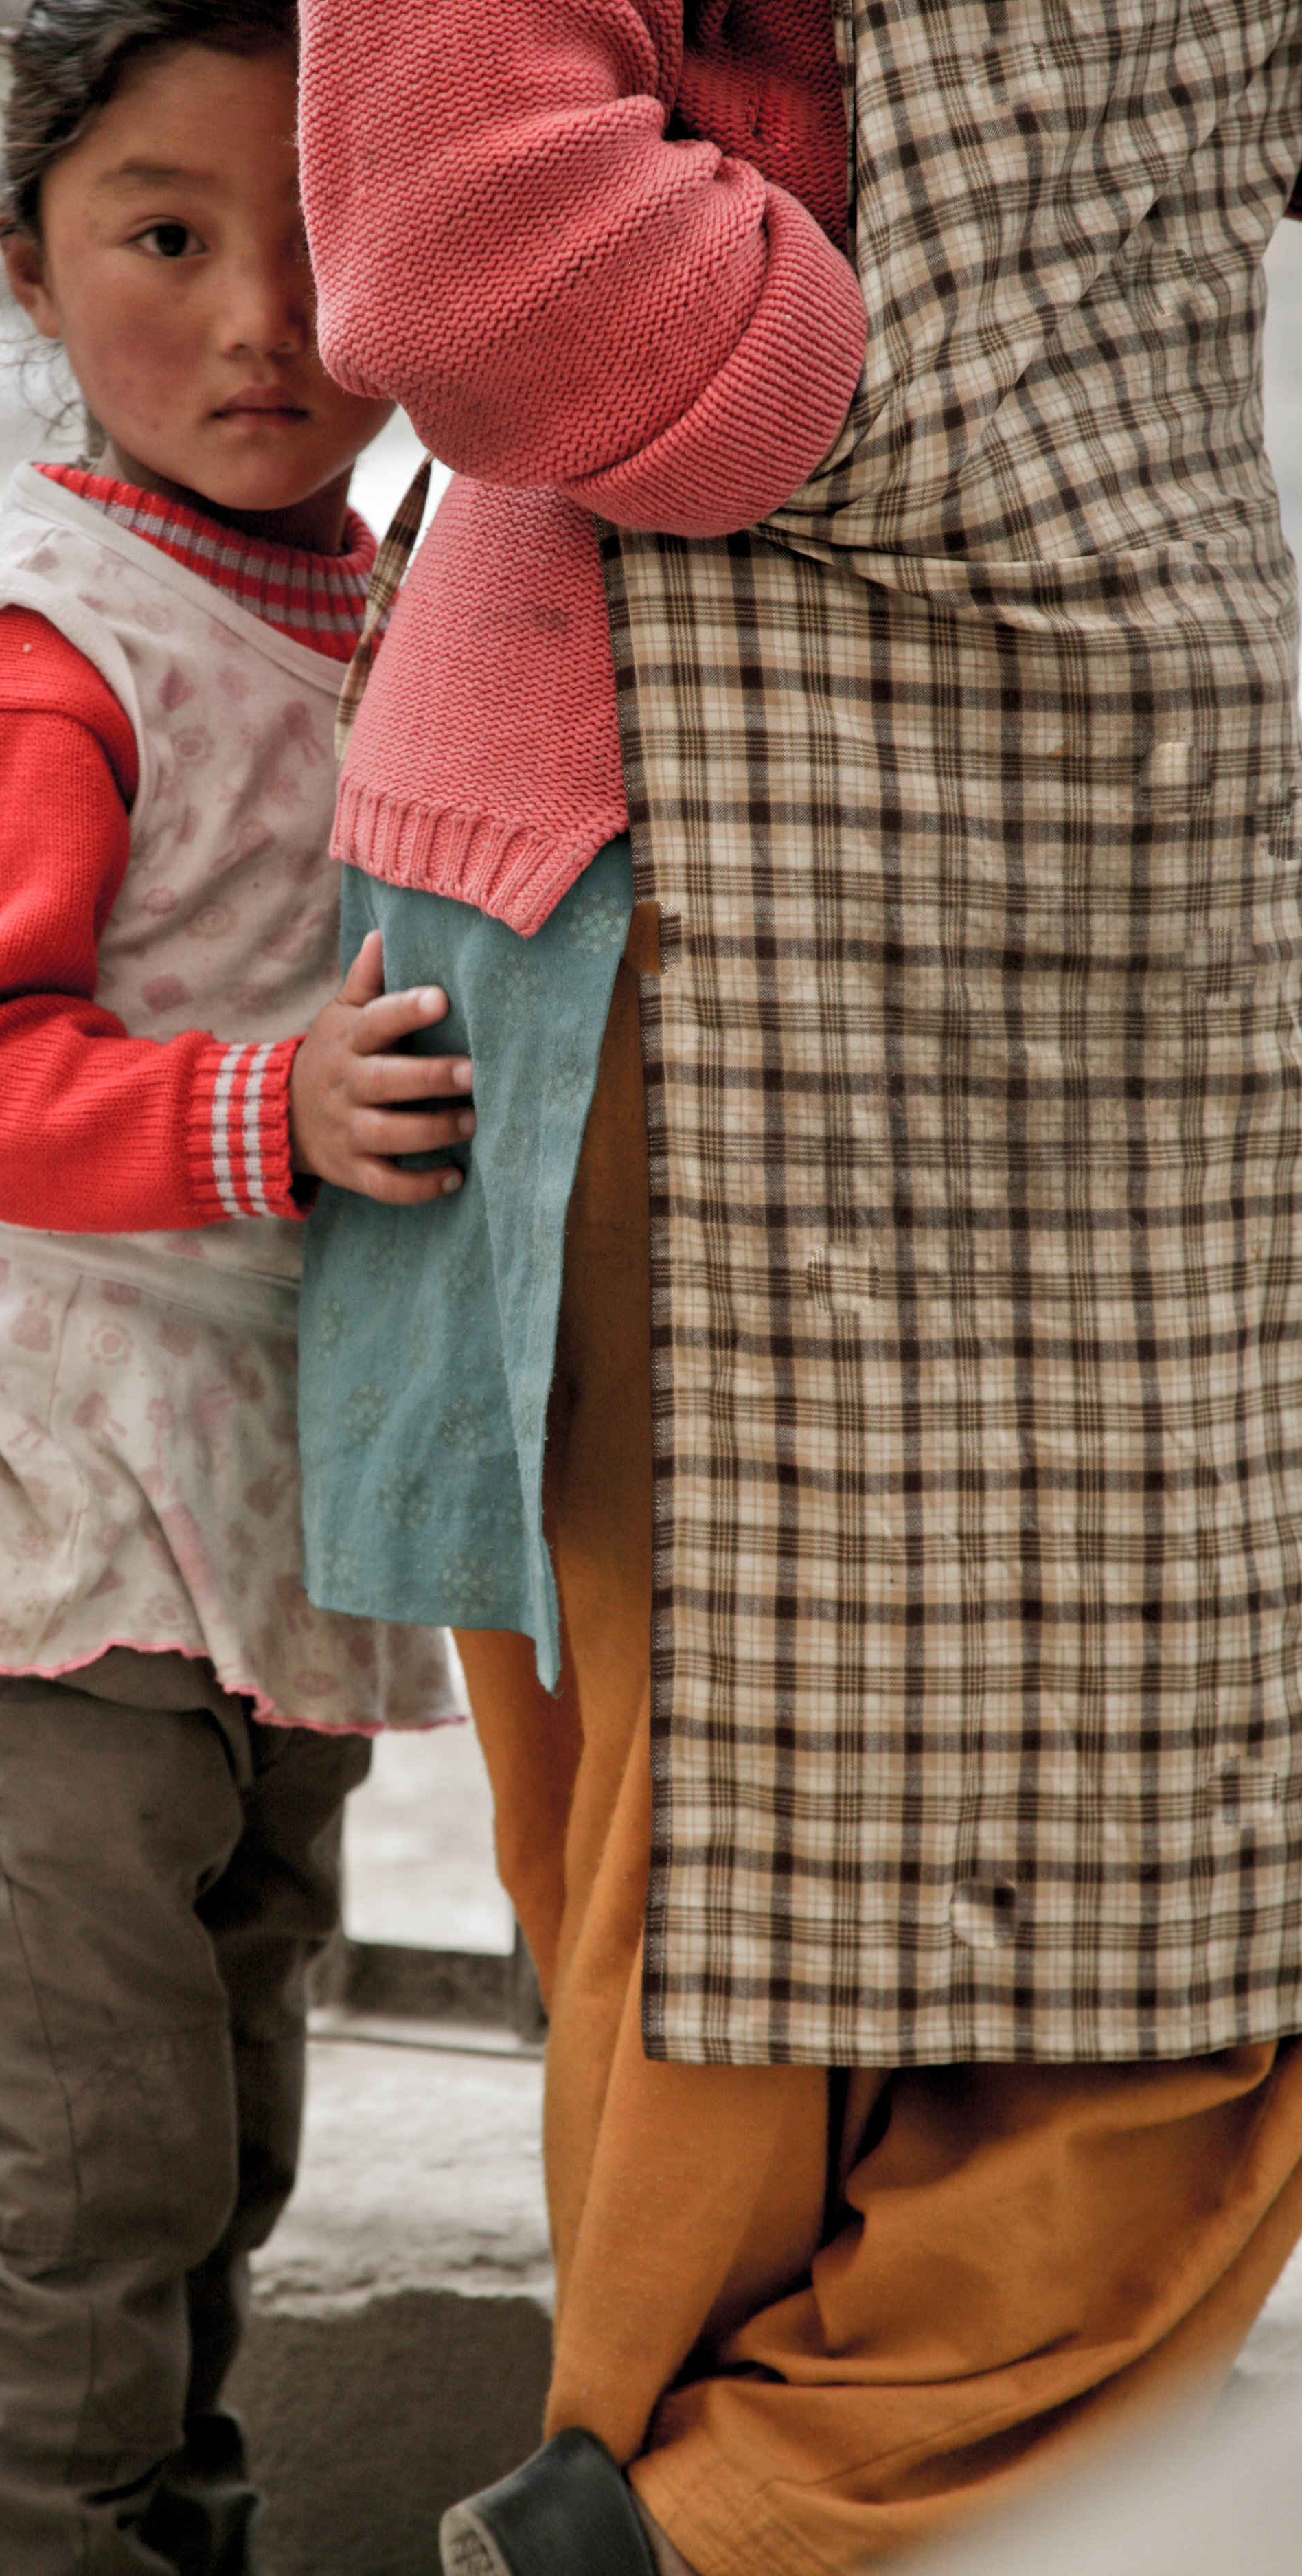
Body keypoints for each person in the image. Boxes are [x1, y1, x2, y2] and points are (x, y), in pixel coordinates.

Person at [293, 1, 1302, 2571]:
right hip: (697, 849)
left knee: (1176, 1905)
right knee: (746, 1919)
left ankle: (657, 2540)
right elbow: (475, 236)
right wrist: (984, 418)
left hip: (1107, 836)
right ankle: (674, 2523)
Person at [0, 5, 472, 2566]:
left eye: (327, 244)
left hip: (243, 1568)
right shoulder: (46, 637)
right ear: (25, 266)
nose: (261, 320)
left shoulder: (378, 596)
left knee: (197, 2205)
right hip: (37, 1583)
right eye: (167, 238)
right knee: (63, 2247)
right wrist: (264, 1114)